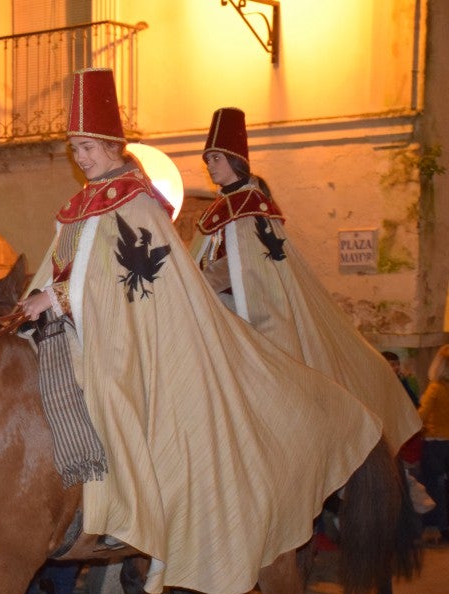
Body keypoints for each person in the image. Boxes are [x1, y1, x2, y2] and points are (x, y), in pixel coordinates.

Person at [18, 68, 383, 594]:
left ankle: (135, 505)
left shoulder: (135, 201)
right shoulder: (86, 203)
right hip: (90, 322)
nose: (80, 156)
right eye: (73, 148)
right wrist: (36, 304)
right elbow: (69, 265)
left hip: (137, 332)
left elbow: (136, 280)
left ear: (111, 143)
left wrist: (58, 297)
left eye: (87, 146)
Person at [191, 107, 421, 459]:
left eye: (217, 158)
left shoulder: (247, 205)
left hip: (249, 306)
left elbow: (244, 267)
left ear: (236, 161)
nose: (210, 165)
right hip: (225, 299)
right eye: (208, 159)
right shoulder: (225, 205)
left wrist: (198, 280)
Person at [419, 346, 449, 543]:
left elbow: (421, 416)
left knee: (434, 487)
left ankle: (441, 527)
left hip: (435, 445)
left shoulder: (436, 388)